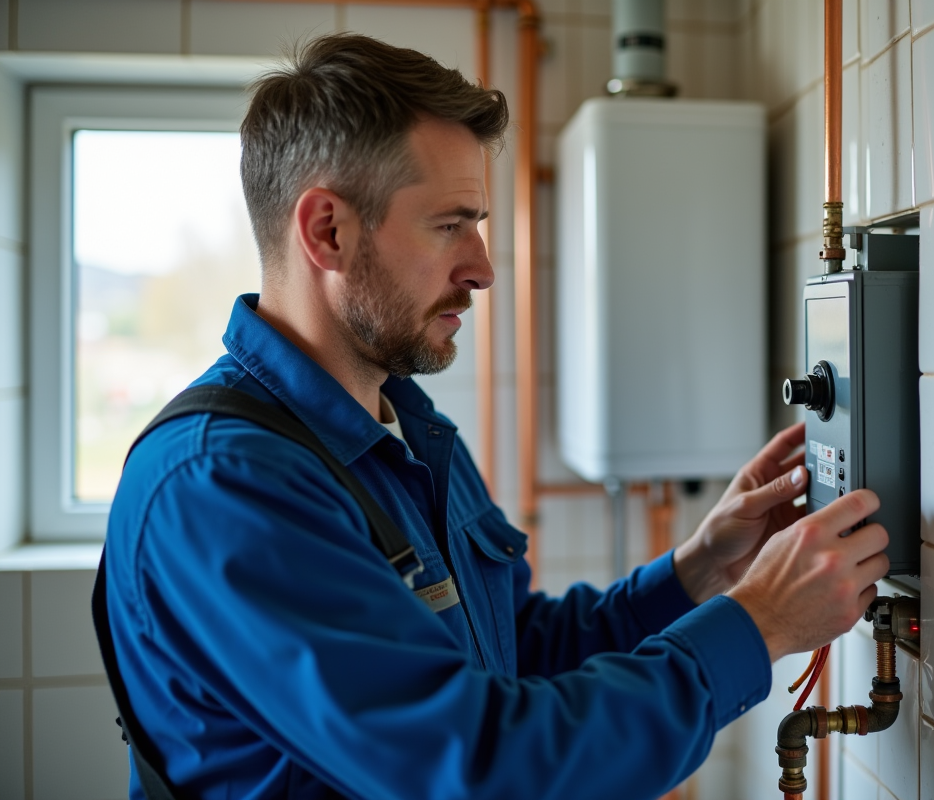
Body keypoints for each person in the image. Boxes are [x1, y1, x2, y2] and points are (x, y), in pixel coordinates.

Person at [102, 33, 890, 800]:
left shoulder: (408, 433)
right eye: (450, 225)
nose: (481, 269)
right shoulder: (223, 486)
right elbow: (481, 768)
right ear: (327, 231)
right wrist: (758, 625)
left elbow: (514, 652)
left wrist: (702, 570)